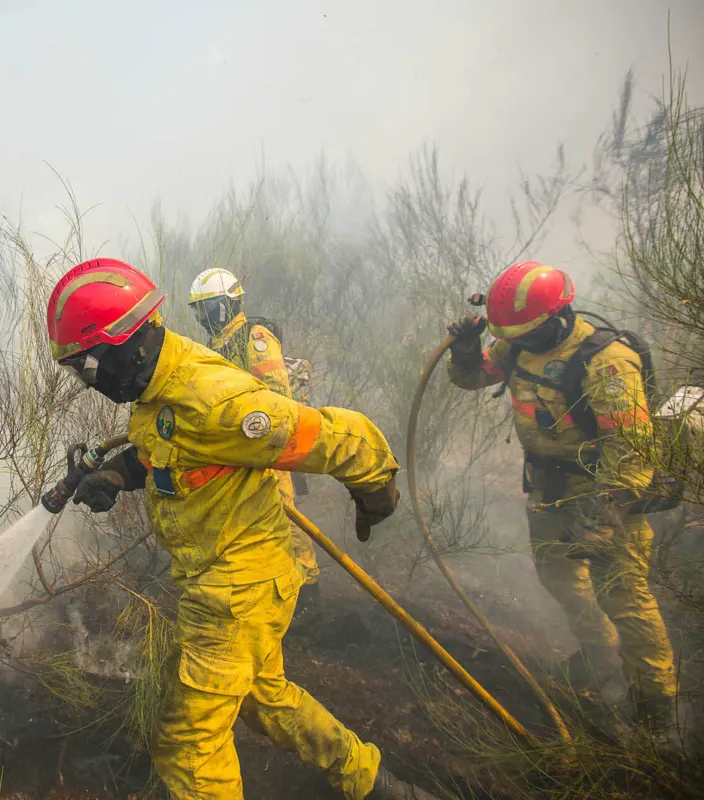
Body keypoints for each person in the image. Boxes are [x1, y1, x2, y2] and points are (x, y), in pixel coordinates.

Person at [48, 258, 439, 800]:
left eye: (89, 367)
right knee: (266, 700)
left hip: (237, 593)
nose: (89, 382)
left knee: (189, 747)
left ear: (128, 342)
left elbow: (334, 434)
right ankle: (374, 784)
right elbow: (169, 451)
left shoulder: (218, 402)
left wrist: (377, 492)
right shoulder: (159, 382)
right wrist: (117, 473)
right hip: (222, 581)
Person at [446, 261, 678, 734]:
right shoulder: (519, 341)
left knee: (624, 596)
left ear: (558, 317)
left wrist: (600, 516)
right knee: (556, 572)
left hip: (608, 491)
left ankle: (656, 708)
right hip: (550, 485)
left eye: (528, 335)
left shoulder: (606, 361)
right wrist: (467, 351)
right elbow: (473, 377)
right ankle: (600, 659)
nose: (519, 344)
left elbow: (632, 451)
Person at [187, 268, 323, 625]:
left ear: (229, 305)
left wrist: (257, 436)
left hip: (268, 442)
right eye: (198, 311)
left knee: (283, 511)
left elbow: (276, 394)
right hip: (238, 446)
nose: (204, 319)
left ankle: (308, 588)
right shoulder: (215, 347)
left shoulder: (254, 337)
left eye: (209, 309)